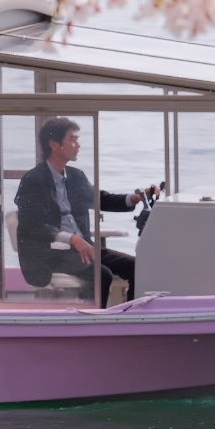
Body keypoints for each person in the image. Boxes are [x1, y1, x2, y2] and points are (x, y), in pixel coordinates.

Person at [13, 115, 158, 304]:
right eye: (72, 139)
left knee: (138, 267)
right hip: (50, 254)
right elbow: (33, 226)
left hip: (81, 247)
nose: (78, 144)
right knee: (102, 275)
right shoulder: (33, 180)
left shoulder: (75, 176)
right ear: (55, 145)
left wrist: (134, 198)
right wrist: (73, 238)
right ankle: (92, 324)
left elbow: (99, 199)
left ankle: (129, 317)